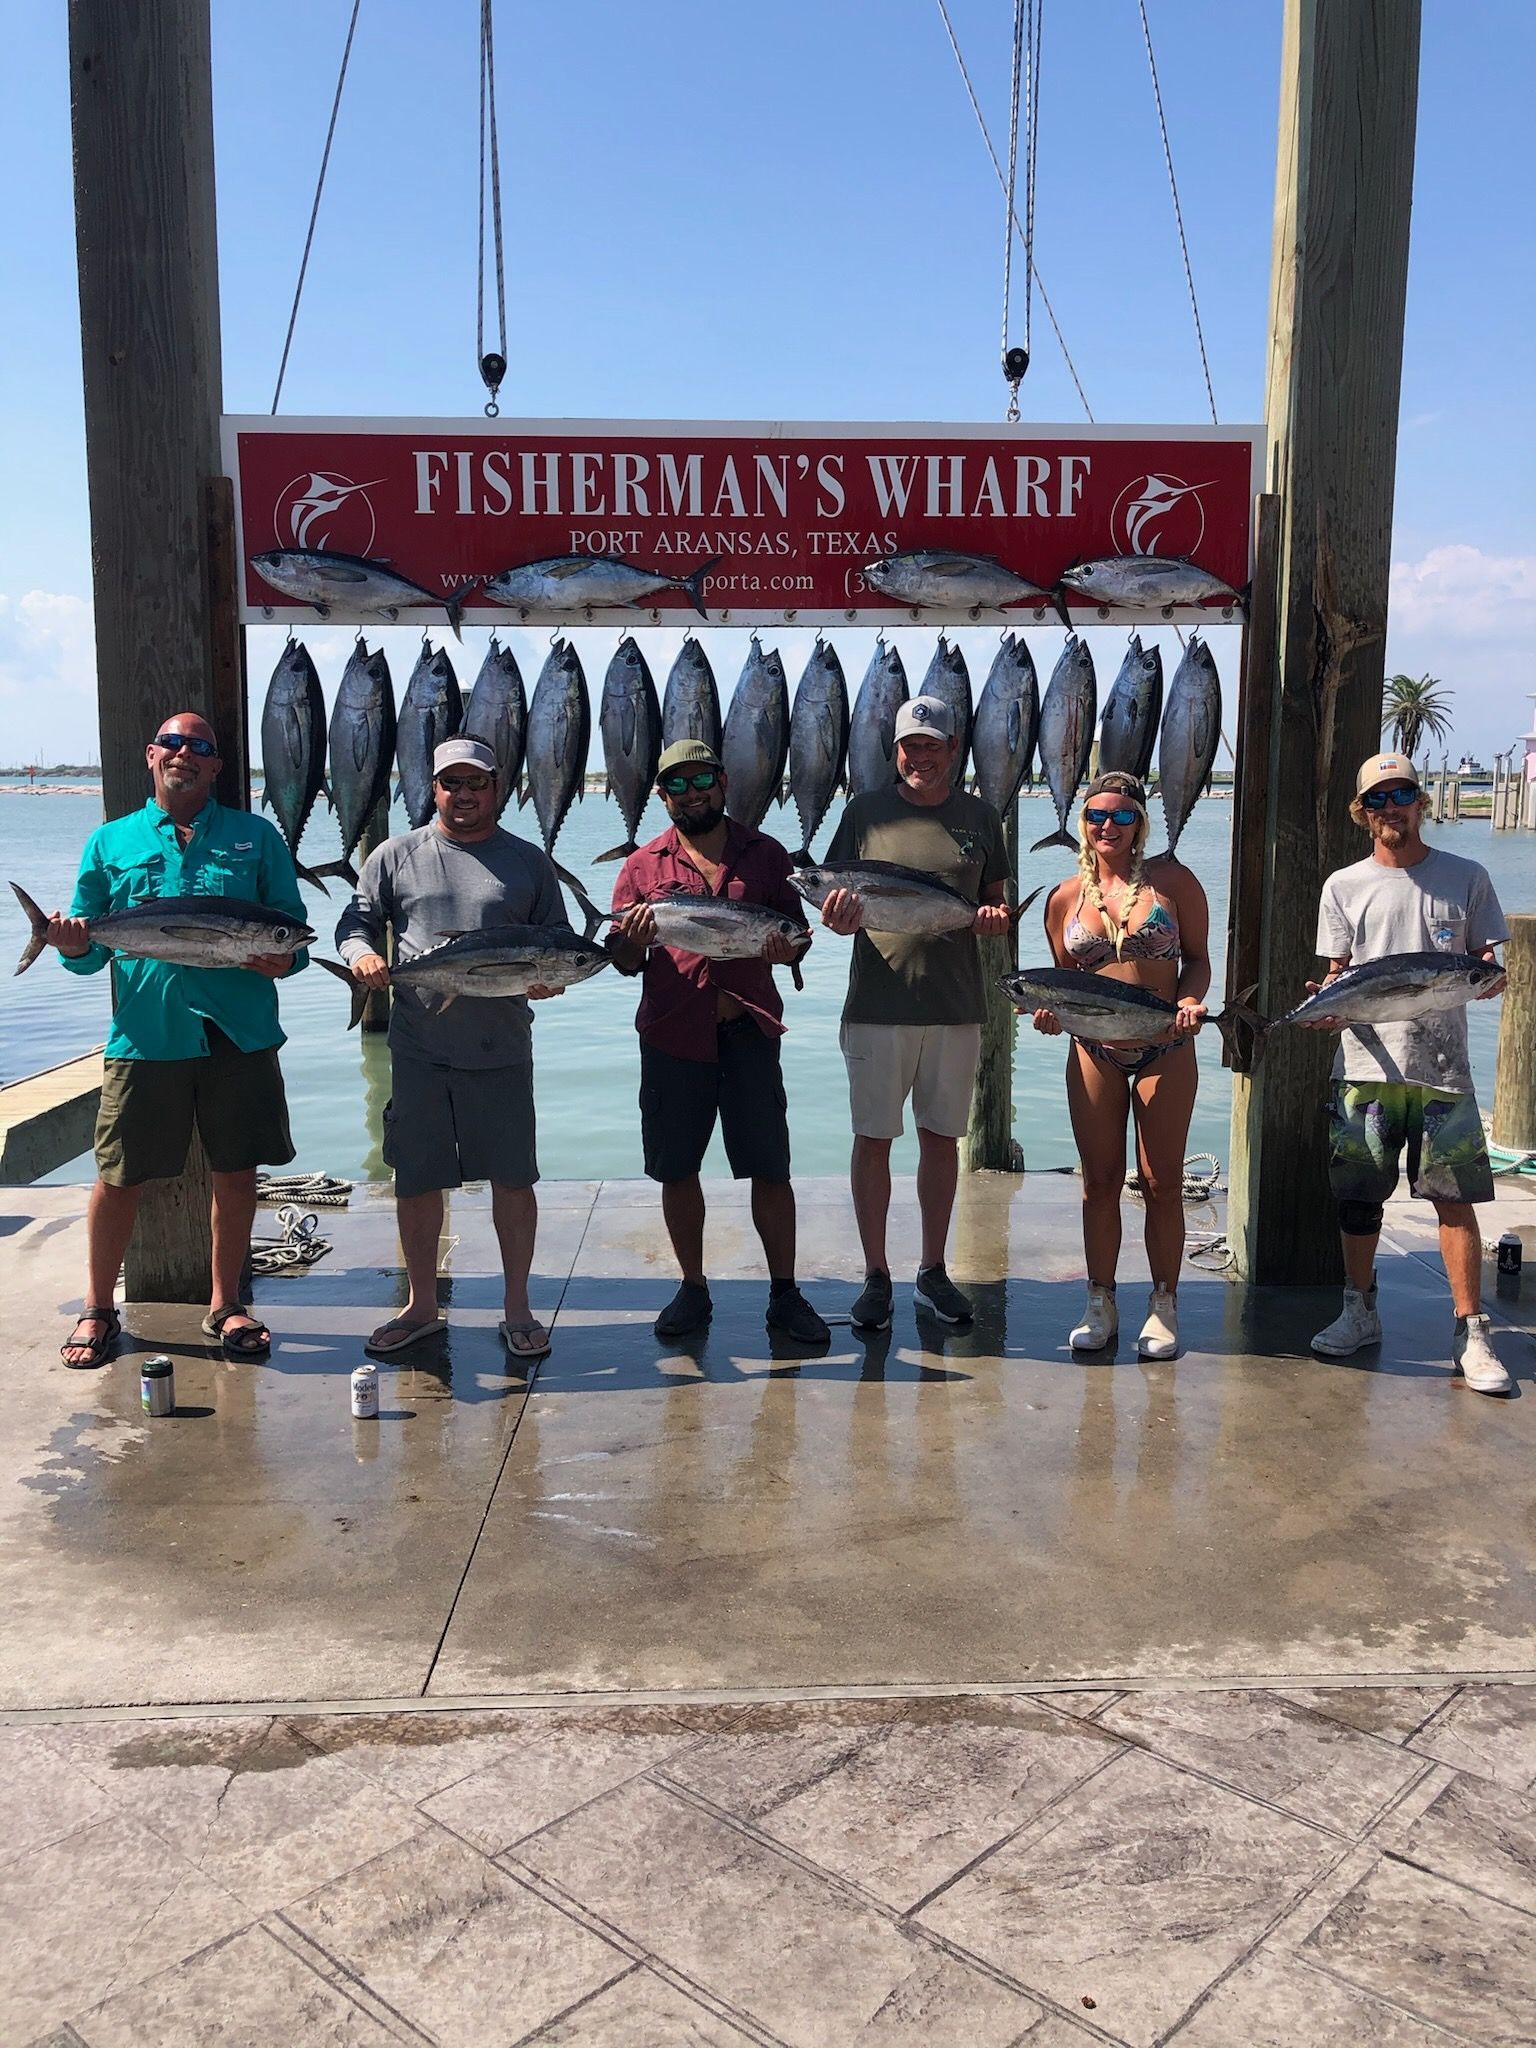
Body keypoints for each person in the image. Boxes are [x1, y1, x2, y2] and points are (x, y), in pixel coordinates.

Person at [43, 713, 306, 1366]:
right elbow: (83, 958)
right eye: (172, 743)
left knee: (236, 1171)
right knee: (118, 1175)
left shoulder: (255, 837)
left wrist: (285, 959)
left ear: (217, 767)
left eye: (201, 747)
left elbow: (293, 933)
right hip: (145, 1035)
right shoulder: (111, 841)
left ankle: (226, 1303)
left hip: (238, 1033)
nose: (184, 754)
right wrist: (71, 943)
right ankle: (99, 1306)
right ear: (151, 755)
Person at [336, 737, 571, 1361]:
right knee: (416, 1180)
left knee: (514, 1179)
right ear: (432, 788)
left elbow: (557, 941)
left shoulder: (528, 862)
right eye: (450, 783)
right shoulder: (394, 854)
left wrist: (549, 981)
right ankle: (420, 1305)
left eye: (476, 783)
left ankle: (517, 1306)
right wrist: (360, 955)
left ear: (497, 787)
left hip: (502, 1049)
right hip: (418, 1050)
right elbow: (356, 922)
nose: (463, 794)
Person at [607, 738, 829, 1346]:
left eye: (700, 780)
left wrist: (791, 948)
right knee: (677, 1170)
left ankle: (784, 1291)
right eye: (676, 784)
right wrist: (633, 937)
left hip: (749, 1030)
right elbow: (624, 962)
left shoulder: (766, 854)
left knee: (770, 1168)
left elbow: (797, 934)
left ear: (723, 783)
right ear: (662, 796)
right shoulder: (641, 866)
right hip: (672, 1036)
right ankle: (692, 1287)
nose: (691, 792)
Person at [1305, 752, 1510, 1393]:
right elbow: (1340, 976)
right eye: (1377, 800)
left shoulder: (1468, 877)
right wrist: (1326, 1005)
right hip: (1364, 1069)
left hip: (1444, 1071)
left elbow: (1486, 962)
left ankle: (1471, 1331)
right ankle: (1359, 1311)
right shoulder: (1343, 885)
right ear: (1362, 814)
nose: (1391, 808)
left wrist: (1487, 977)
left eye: (1402, 795)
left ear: (1421, 801)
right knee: (1360, 1200)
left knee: (1453, 1200)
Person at [818, 694, 1012, 1331]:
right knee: (873, 1139)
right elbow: (839, 899)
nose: (920, 756)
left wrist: (992, 920)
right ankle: (876, 1275)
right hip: (877, 1006)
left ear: (954, 749)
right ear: (895, 751)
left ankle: (932, 1270)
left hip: (955, 1006)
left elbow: (996, 902)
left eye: (932, 745)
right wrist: (836, 919)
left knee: (941, 1139)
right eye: (909, 746)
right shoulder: (864, 814)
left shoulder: (983, 817)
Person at [1026, 771, 1212, 1359]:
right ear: (1083, 824)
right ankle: (1100, 1301)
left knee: (1161, 1182)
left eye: (1123, 816)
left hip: (1166, 1045)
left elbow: (1200, 960)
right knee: (1099, 1181)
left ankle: (1163, 1304)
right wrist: (1052, 1016)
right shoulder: (1062, 899)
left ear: (1141, 824)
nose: (1109, 825)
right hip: (1093, 1050)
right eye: (1097, 816)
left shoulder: (1174, 881)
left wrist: (1187, 1000)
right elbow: (1065, 982)